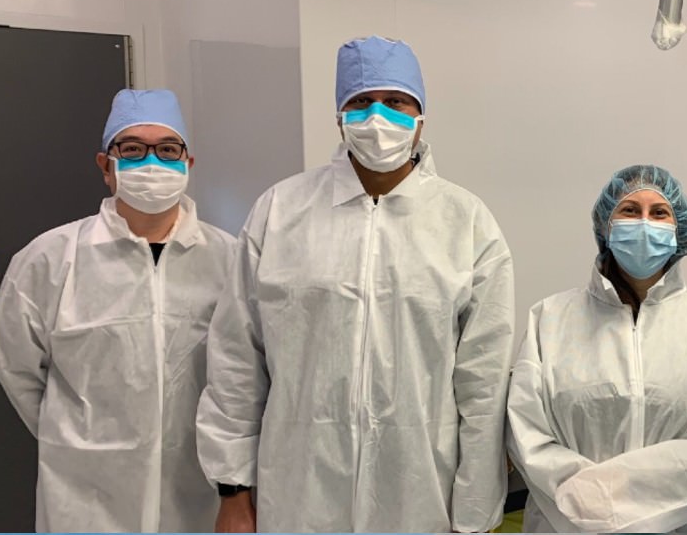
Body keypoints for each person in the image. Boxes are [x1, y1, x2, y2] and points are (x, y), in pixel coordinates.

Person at [196, 36, 517, 532]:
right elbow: (238, 357)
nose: (378, 117)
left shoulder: (465, 222)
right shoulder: (281, 211)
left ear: (421, 117)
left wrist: (475, 511)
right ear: (339, 116)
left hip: (419, 490)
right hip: (300, 489)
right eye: (361, 101)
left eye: (396, 102)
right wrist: (233, 490)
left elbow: (484, 381)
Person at [0, 89, 236, 532]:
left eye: (167, 150)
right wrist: (77, 438)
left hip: (198, 490)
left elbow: (244, 374)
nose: (152, 163)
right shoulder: (51, 259)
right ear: (106, 166)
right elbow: (18, 368)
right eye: (133, 149)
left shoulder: (230, 260)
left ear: (188, 163)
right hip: (85, 493)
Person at [507, 165, 687, 533]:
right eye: (629, 210)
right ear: (606, 227)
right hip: (565, 525)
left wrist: (603, 503)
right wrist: (587, 508)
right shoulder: (548, 320)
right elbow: (526, 435)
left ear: (679, 229)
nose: (644, 222)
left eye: (659, 213)